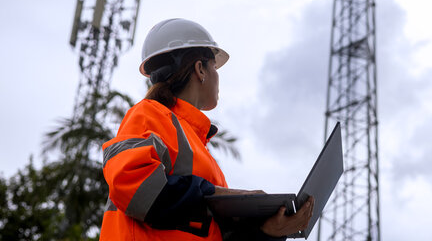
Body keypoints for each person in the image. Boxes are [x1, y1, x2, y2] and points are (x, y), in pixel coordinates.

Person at [99, 18, 314, 240]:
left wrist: (268, 232)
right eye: (214, 67)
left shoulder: (199, 149)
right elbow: (137, 187)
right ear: (200, 69)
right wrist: (218, 195)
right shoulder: (149, 114)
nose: (218, 76)